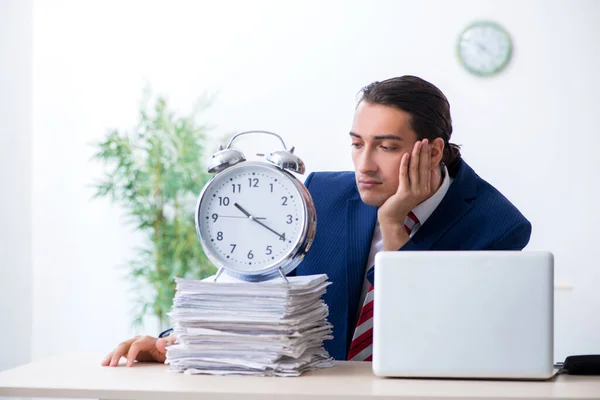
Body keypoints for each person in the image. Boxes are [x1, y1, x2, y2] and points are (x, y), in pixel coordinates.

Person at [101, 75, 531, 367]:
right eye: (357, 143)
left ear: (432, 152)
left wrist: (394, 225)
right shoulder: (321, 193)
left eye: (385, 147)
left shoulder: (497, 225)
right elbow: (256, 286)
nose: (364, 165)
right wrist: (173, 340)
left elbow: (430, 341)